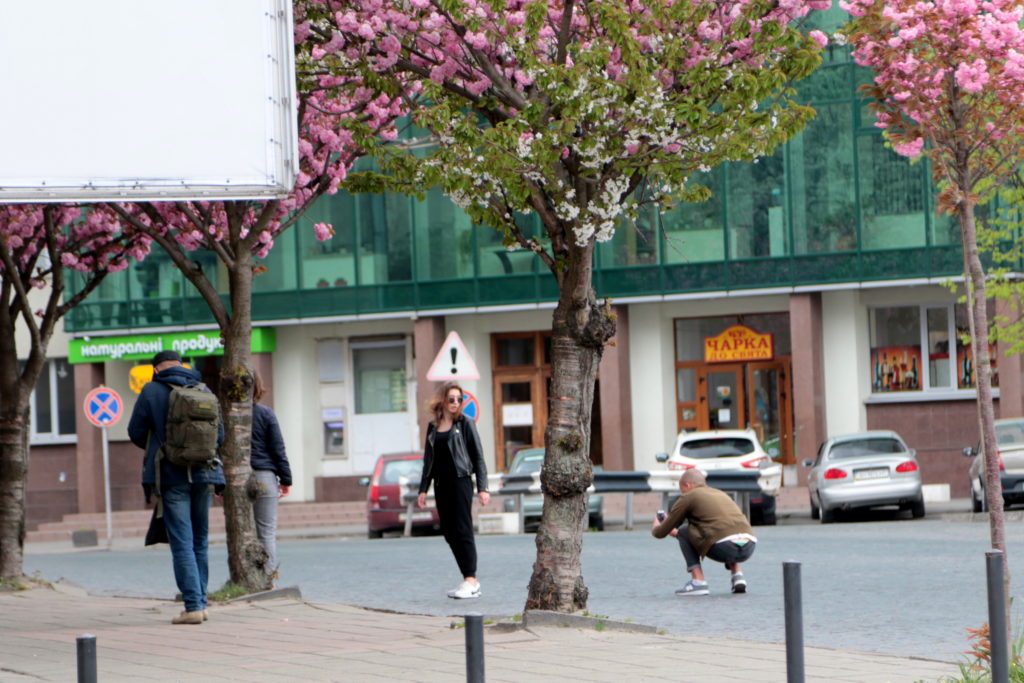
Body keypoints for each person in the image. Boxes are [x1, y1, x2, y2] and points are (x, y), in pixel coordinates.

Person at [128, 350, 225, 625]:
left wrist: (160, 446)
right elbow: (220, 435)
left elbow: (135, 431)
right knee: (200, 541)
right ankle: (201, 604)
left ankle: (193, 607)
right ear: (182, 365)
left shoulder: (151, 391)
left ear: (156, 369)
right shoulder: (204, 389)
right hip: (204, 473)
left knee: (182, 542)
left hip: (171, 476)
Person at [416, 382, 490, 599]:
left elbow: (478, 456)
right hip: (441, 485)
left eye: (459, 399)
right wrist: (423, 489)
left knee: (462, 530)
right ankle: (467, 578)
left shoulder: (465, 424)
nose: (456, 403)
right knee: (449, 533)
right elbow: (428, 461)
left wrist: (483, 488)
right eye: (451, 399)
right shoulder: (433, 427)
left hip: (460, 482)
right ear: (442, 401)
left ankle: (471, 580)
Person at [651, 468, 757, 596]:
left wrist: (656, 524)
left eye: (681, 489)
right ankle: (738, 576)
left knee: (684, 530)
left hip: (725, 547)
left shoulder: (689, 496)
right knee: (725, 528)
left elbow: (660, 533)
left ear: (687, 485)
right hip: (749, 545)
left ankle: (698, 582)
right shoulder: (720, 493)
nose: (681, 493)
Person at [250, 370, 292, 580]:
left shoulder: (225, 416)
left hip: (235, 478)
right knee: (266, 532)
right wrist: (286, 480)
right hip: (264, 476)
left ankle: (245, 578)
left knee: (241, 532)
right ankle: (267, 580)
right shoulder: (266, 414)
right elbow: (278, 449)